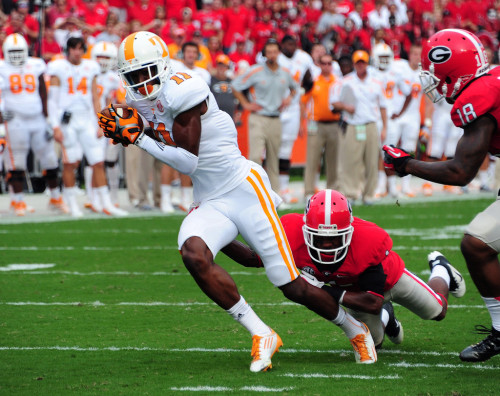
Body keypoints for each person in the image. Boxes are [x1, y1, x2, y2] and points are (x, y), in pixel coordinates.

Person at [98, 31, 377, 371]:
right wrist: (130, 125)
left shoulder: (186, 89)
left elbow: (188, 161)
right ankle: (261, 333)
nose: (140, 83)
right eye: (133, 76)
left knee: (289, 285)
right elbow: (153, 129)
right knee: (194, 254)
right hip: (209, 197)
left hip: (242, 188)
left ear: (163, 66)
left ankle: (354, 328)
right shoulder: (140, 97)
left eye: (146, 72)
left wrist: (139, 136)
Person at [222, 189, 466, 350]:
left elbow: (371, 301)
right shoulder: (290, 233)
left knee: (438, 311)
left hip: (390, 281)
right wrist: (218, 238)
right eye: (320, 239)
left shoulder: (368, 240)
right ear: (306, 231)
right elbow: (252, 258)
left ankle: (441, 269)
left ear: (349, 232)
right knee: (375, 343)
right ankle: (387, 316)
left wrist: (329, 292)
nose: (327, 245)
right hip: (355, 294)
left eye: (334, 239)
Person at [383, 28, 500, 362]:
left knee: (477, 244)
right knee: (477, 243)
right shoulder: (491, 78)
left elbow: (461, 171)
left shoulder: (479, 95)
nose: (434, 81)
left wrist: (406, 165)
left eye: (437, 73)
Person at [48, 36, 126, 217]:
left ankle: (106, 203)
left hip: (86, 119)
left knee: (98, 161)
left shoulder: (90, 68)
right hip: (67, 120)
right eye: (73, 48)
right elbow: (52, 100)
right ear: (68, 50)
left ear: (84, 50)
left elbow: (94, 97)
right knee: (70, 162)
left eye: (80, 48)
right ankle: (71, 203)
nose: (77, 52)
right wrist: (55, 126)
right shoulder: (58, 68)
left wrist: (101, 122)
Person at [0, 33, 65, 216]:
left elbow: (44, 93)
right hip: (15, 120)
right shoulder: (2, 67)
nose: (16, 55)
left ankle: (55, 198)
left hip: (37, 119)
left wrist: (48, 119)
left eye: (19, 51)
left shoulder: (36, 64)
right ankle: (17, 201)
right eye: (12, 51)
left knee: (50, 158)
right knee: (17, 162)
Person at [232, 39, 298, 194]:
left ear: (279, 53)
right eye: (269, 52)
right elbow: (236, 85)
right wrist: (246, 104)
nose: (272, 55)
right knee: (254, 157)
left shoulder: (285, 73)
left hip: (276, 119)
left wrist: (289, 98)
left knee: (274, 159)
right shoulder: (256, 70)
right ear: (265, 54)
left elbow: (295, 88)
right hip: (258, 117)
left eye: (275, 52)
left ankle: (275, 195)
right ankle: (252, 193)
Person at [331, 50, 387, 205]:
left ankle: (369, 194)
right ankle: (350, 193)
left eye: (363, 62)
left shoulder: (376, 82)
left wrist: (384, 127)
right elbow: (333, 101)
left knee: (371, 160)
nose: (360, 66)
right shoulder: (346, 81)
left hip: (370, 124)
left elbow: (383, 106)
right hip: (353, 124)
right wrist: (345, 107)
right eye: (358, 63)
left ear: (367, 63)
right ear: (354, 64)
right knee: (351, 160)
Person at [277, 35, 314, 205]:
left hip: (292, 109)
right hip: (274, 109)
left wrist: (300, 94)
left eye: (293, 44)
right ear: (282, 45)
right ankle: (270, 188)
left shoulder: (304, 58)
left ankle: (283, 189)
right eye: (287, 44)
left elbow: (309, 81)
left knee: (285, 150)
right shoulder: (275, 57)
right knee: (269, 150)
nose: (290, 47)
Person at [301, 53, 342, 201]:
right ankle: (308, 191)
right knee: (312, 158)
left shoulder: (337, 82)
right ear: (319, 65)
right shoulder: (313, 81)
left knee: (333, 160)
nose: (326, 66)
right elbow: (303, 101)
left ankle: (333, 191)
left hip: (333, 123)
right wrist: (302, 122)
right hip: (316, 124)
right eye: (323, 63)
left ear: (332, 65)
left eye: (329, 63)